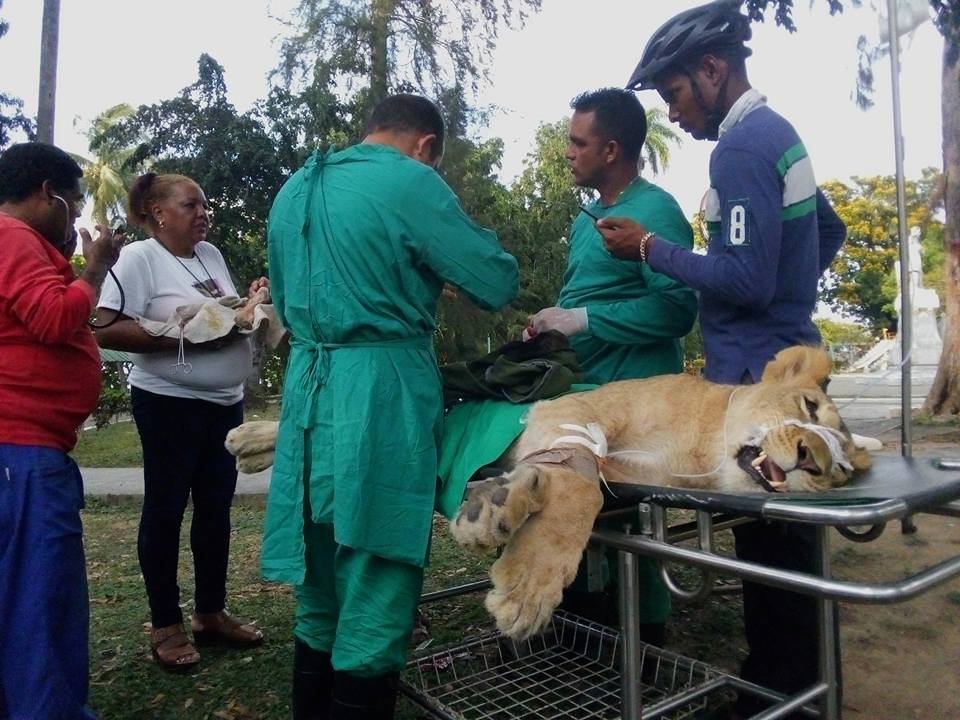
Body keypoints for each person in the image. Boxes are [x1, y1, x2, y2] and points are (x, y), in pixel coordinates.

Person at [595, 3, 847, 718]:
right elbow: (826, 228)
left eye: (674, 92)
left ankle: (781, 696)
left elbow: (744, 278)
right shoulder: (780, 135)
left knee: (774, 553)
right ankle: (787, 684)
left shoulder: (738, 148)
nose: (673, 112)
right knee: (788, 549)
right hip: (790, 367)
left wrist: (651, 249)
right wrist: (789, 296)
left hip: (758, 385)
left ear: (712, 69)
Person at [264, 93, 519, 719]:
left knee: (319, 576)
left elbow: (289, 297)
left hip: (309, 392)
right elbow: (496, 279)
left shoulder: (295, 187)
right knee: (378, 566)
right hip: (379, 391)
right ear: (426, 145)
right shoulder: (412, 181)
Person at [525, 87, 697, 645]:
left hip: (639, 397)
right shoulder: (587, 218)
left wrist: (584, 321)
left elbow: (676, 310)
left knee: (634, 521)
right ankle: (579, 625)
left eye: (579, 143)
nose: (568, 152)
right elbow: (587, 294)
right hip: (585, 391)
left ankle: (646, 638)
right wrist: (554, 324)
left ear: (612, 149)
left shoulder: (655, 212)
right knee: (574, 510)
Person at [94, 173, 268, 670]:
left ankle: (211, 613)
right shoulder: (139, 259)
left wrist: (249, 303)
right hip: (169, 402)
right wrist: (185, 338)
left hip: (224, 403)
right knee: (167, 509)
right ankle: (166, 624)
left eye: (206, 205)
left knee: (215, 511)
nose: (204, 213)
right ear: (157, 213)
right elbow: (104, 328)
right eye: (192, 205)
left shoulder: (210, 256)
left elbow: (223, 316)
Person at [0, 142, 124, 719]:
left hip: (21, 449)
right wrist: (95, 266)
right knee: (39, 599)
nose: (75, 219)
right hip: (21, 451)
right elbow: (52, 319)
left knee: (19, 597)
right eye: (73, 206)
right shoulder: (14, 237)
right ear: (48, 193)